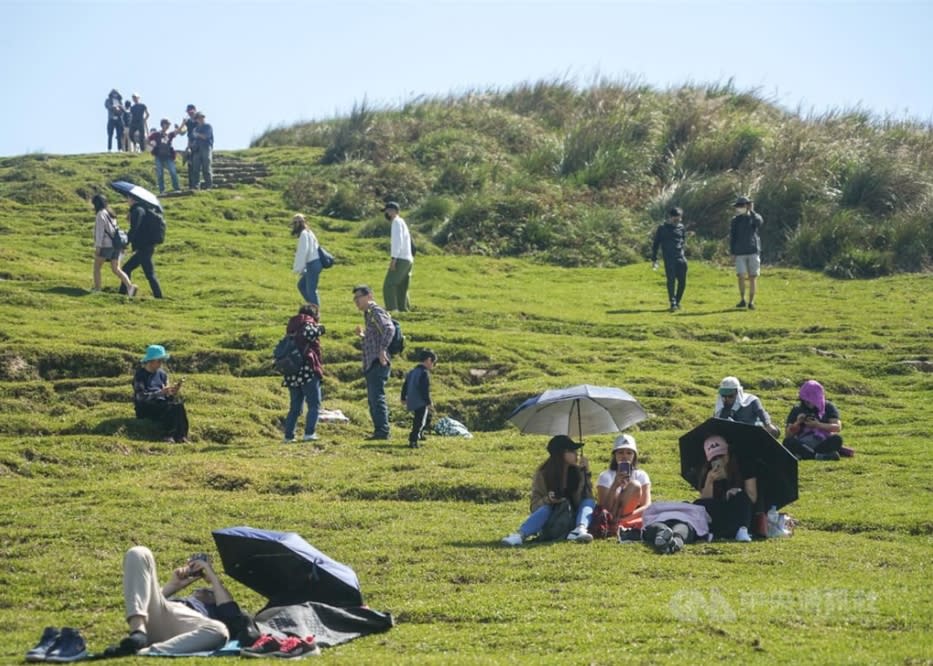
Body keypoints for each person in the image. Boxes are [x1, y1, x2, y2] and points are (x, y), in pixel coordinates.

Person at [104, 546, 246, 657]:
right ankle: (138, 633)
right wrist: (173, 586)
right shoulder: (181, 601)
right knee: (139, 552)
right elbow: (143, 599)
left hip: (188, 630)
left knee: (219, 630)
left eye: (210, 591)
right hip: (161, 618)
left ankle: (144, 653)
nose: (203, 589)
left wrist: (212, 576)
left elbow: (230, 611)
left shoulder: (218, 613)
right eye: (200, 588)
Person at [501, 435, 596, 545]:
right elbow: (534, 507)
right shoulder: (543, 474)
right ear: (560, 454)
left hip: (573, 518)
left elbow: (587, 497)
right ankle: (520, 535)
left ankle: (580, 529)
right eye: (572, 451)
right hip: (553, 521)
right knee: (546, 508)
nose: (577, 454)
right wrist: (548, 500)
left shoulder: (578, 472)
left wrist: (586, 473)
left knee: (589, 501)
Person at [694, 435, 757, 542]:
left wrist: (736, 491)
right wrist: (710, 481)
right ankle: (719, 532)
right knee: (698, 504)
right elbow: (705, 502)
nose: (718, 460)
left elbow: (752, 497)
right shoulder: (707, 471)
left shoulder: (744, 465)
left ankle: (741, 530)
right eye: (714, 458)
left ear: (728, 453)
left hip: (740, 511)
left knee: (741, 497)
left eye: (721, 456)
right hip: (719, 511)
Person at [353, 285, 395, 440]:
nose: (356, 301)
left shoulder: (375, 310)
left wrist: (382, 350)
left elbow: (389, 329)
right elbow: (374, 339)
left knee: (376, 398)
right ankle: (380, 430)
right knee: (373, 398)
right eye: (354, 299)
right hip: (372, 362)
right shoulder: (368, 314)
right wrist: (363, 336)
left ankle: (382, 432)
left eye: (358, 297)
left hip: (378, 361)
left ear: (369, 296)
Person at [590, 434, 651, 538]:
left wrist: (624, 519)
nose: (624, 456)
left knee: (634, 485)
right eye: (620, 452)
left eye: (629, 453)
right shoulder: (605, 476)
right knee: (632, 486)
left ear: (634, 456)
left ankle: (617, 524)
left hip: (630, 514)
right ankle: (613, 524)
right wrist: (615, 485)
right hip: (611, 514)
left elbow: (647, 505)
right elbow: (604, 507)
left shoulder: (641, 475)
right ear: (615, 455)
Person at [282, 304, 325, 443]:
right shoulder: (308, 323)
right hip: (307, 370)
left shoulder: (292, 325)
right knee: (314, 404)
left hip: (292, 371)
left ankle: (288, 436)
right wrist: (321, 329)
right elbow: (309, 334)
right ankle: (309, 433)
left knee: (295, 407)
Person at [783, 379, 850, 460]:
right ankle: (817, 456)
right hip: (803, 441)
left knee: (837, 439)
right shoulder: (798, 409)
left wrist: (818, 425)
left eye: (810, 400)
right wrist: (797, 423)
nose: (807, 403)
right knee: (788, 442)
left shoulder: (828, 407)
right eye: (805, 400)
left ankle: (806, 454)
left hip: (822, 440)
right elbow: (788, 434)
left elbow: (837, 427)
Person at [133, 345, 189, 442]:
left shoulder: (162, 374)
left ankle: (181, 436)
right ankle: (168, 435)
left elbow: (166, 392)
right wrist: (159, 393)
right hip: (146, 407)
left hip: (161, 403)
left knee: (179, 406)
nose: (161, 364)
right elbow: (140, 397)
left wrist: (172, 391)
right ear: (151, 361)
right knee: (169, 407)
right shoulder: (140, 376)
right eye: (159, 361)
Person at [91, 194, 137, 296]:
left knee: (97, 268)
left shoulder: (100, 214)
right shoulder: (111, 213)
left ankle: (97, 289)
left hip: (106, 245)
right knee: (116, 269)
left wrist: (98, 247)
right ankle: (130, 287)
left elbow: (100, 233)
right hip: (116, 245)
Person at [120, 195, 164, 298]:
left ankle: (124, 292)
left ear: (132, 199)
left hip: (144, 246)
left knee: (130, 269)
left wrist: (126, 241)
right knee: (142, 271)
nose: (127, 200)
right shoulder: (142, 209)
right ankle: (158, 295)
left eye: (128, 198)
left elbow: (135, 228)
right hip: (147, 245)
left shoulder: (138, 210)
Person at [714, 376, 781, 438]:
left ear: (737, 392)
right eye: (724, 395)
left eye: (730, 396)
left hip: (752, 433)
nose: (727, 398)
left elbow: (761, 412)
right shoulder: (722, 406)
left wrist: (768, 425)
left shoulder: (751, 400)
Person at [651, 206, 688, 311]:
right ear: (670, 217)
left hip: (681, 258)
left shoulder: (681, 227)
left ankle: (677, 301)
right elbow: (656, 244)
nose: (677, 220)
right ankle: (672, 302)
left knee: (682, 282)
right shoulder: (662, 228)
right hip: (669, 259)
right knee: (671, 280)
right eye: (675, 218)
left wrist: (682, 252)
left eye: (679, 218)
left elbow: (683, 240)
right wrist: (654, 258)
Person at [730, 196, 763, 309]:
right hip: (739, 252)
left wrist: (751, 210)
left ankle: (751, 301)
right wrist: (732, 252)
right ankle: (742, 299)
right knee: (741, 276)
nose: (738, 208)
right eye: (738, 206)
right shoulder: (735, 220)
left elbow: (759, 223)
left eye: (741, 206)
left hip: (753, 251)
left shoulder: (754, 218)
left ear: (747, 206)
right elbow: (732, 237)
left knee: (753, 277)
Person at [641, 501, 711, 554]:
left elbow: (647, 515)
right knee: (680, 531)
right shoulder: (695, 508)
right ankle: (674, 543)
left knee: (659, 527)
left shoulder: (658, 506)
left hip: (659, 519)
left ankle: (661, 534)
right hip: (685, 521)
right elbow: (706, 520)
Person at [401, 349, 437, 448]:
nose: (433, 365)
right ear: (429, 360)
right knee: (419, 421)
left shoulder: (412, 371)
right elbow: (424, 390)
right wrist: (428, 402)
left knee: (422, 418)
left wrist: (403, 397)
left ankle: (420, 435)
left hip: (411, 399)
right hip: (420, 401)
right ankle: (413, 440)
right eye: (433, 362)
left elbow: (405, 385)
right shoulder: (424, 373)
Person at [382, 202, 413, 312]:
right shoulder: (402, 222)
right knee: (402, 288)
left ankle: (392, 309)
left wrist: (393, 258)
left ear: (393, 211)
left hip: (400, 258)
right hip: (408, 259)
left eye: (387, 211)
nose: (386, 214)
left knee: (388, 285)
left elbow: (397, 241)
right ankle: (404, 309)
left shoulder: (396, 222)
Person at [291, 214, 322, 306]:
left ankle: (315, 311)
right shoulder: (309, 232)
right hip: (315, 263)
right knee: (301, 285)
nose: (296, 225)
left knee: (311, 290)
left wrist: (299, 268)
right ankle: (311, 306)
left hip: (312, 263)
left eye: (297, 222)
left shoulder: (304, 234)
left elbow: (303, 251)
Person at [148, 119, 181, 194]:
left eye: (168, 124)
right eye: (167, 124)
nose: (168, 126)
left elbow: (178, 131)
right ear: (162, 124)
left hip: (168, 156)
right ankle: (162, 190)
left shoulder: (170, 134)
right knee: (160, 173)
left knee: (173, 172)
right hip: (159, 156)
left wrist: (183, 123)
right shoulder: (156, 134)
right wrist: (152, 145)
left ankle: (176, 188)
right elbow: (147, 139)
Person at [175, 104, 199, 188]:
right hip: (190, 144)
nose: (190, 113)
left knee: (197, 164)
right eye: (188, 111)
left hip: (199, 144)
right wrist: (182, 124)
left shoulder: (199, 119)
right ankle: (191, 185)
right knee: (190, 164)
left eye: (191, 111)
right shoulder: (187, 121)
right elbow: (181, 133)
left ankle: (196, 184)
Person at [190, 111, 213, 189]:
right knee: (195, 168)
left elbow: (206, 137)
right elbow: (192, 139)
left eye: (202, 117)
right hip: (197, 150)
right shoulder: (195, 129)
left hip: (206, 148)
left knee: (206, 167)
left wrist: (197, 135)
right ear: (196, 119)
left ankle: (208, 185)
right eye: (199, 118)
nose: (201, 119)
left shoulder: (208, 126)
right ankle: (196, 186)